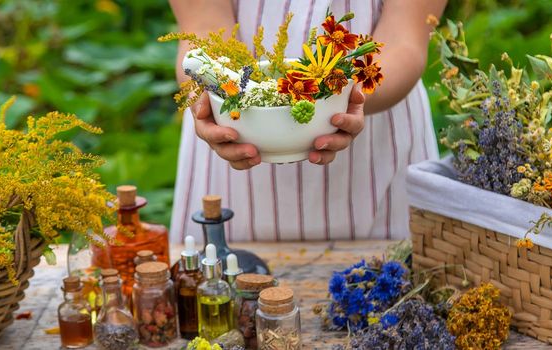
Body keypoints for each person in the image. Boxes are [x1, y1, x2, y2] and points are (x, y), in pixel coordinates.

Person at [168, 0, 447, 243]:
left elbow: (404, 39)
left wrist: (345, 96)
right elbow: (203, 28)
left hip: (375, 148)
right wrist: (212, 99)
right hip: (235, 143)